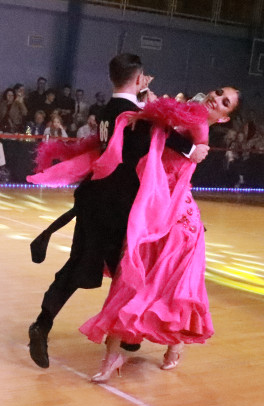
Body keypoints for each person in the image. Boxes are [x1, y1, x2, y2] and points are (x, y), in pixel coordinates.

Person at [24, 53, 209, 369]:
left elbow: (148, 121)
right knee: (131, 271)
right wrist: (194, 149)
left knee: (85, 268)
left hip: (95, 200)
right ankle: (127, 334)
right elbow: (164, 135)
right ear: (138, 79)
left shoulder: (106, 110)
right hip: (120, 207)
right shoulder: (135, 115)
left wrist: (145, 96)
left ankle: (47, 323)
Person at [80, 88, 239, 381]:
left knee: (169, 281)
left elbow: (189, 150)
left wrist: (159, 108)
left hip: (176, 216)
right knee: (132, 276)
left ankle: (173, 344)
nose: (216, 99)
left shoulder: (198, 123)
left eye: (224, 102)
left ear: (224, 118)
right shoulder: (182, 111)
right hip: (151, 205)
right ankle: (113, 355)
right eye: (218, 93)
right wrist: (157, 104)